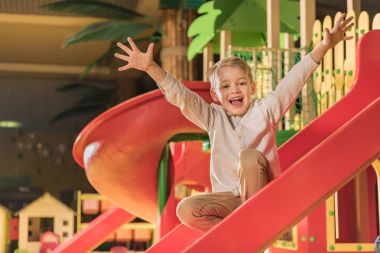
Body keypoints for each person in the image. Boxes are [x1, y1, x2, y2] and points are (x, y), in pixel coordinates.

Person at [114, 13, 354, 233]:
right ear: (217, 96)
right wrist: (152, 68)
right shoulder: (213, 118)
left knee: (248, 157)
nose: (235, 89)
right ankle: (237, 236)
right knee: (185, 210)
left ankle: (253, 221)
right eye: (226, 86)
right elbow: (182, 97)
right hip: (231, 203)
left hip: (264, 197)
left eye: (241, 83)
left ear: (252, 87)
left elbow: (292, 81)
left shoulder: (266, 110)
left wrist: (325, 46)